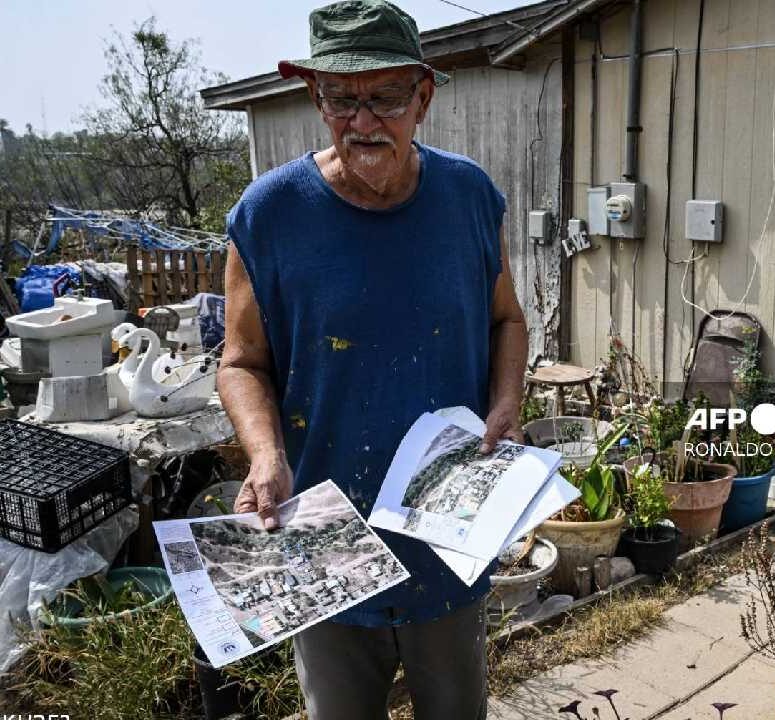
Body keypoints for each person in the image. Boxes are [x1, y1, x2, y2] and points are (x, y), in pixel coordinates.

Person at [216, 1, 527, 718]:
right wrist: (265, 455)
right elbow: (241, 362)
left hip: (447, 532)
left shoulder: (470, 196)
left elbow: (506, 319)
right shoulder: (268, 215)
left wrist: (507, 401)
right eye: (340, 98)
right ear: (315, 98)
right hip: (325, 535)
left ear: (423, 97)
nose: (362, 121)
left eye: (385, 97)